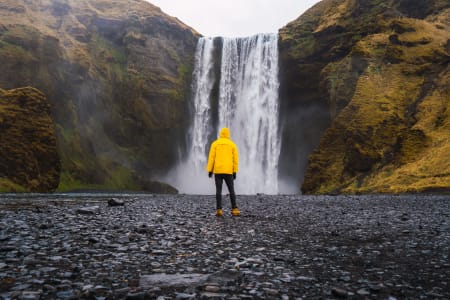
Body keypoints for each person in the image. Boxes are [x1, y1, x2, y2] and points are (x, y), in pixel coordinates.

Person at [206, 127, 240, 217]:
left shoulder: (215, 144)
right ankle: (234, 209)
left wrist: (210, 170)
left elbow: (211, 158)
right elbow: (235, 159)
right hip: (228, 171)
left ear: (220, 134)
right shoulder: (232, 145)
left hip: (218, 171)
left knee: (218, 190)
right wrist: (235, 171)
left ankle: (219, 210)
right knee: (231, 190)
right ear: (228, 134)